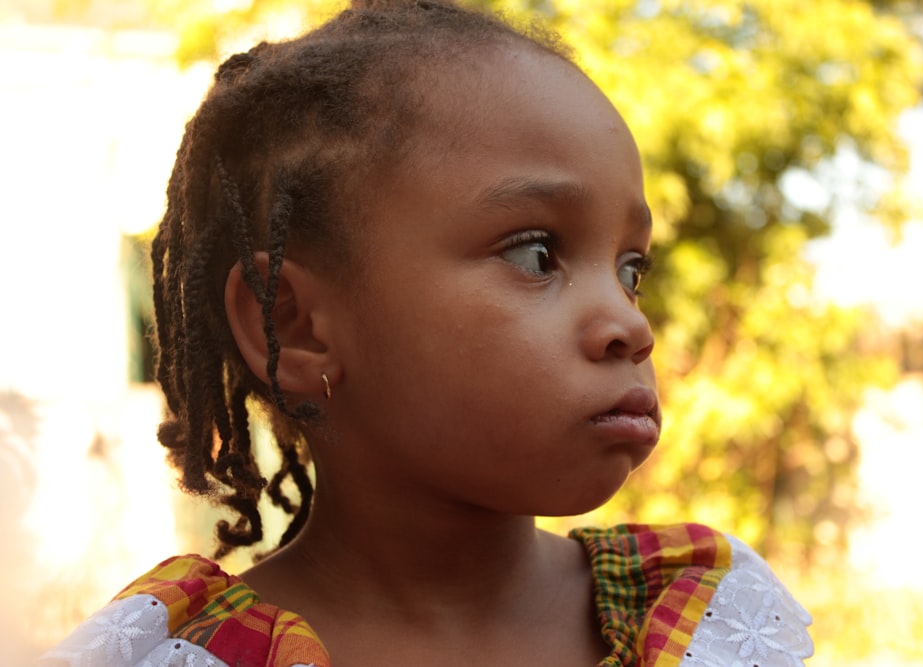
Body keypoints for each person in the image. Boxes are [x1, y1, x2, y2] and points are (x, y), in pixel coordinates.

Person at [39, 1, 813, 665]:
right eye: (537, 254)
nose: (628, 323)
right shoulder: (177, 653)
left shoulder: (711, 622)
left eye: (630, 268)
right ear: (295, 324)